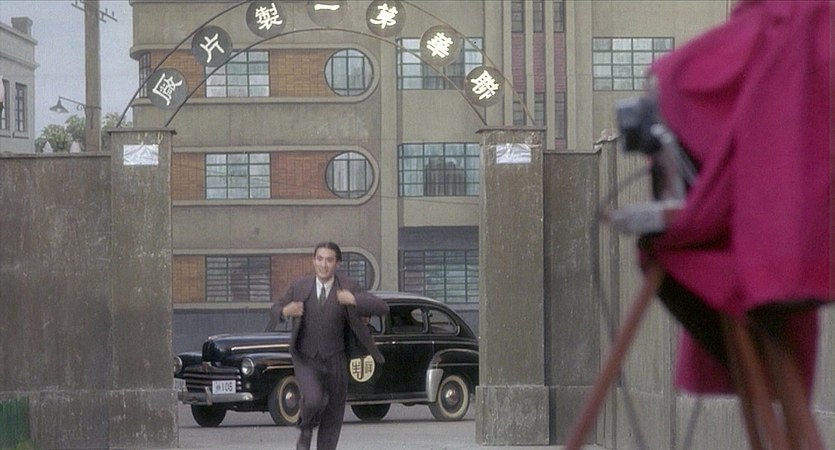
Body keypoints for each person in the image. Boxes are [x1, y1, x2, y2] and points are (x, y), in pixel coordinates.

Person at [268, 241, 388, 450]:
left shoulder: (348, 286)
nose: (324, 265)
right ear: (313, 260)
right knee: (313, 399)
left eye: (329, 260)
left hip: (336, 360)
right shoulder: (300, 287)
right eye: (320, 259)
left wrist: (354, 299)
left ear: (337, 263)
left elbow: (382, 307)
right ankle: (306, 428)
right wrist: (286, 311)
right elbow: (275, 308)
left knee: (333, 416)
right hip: (307, 358)